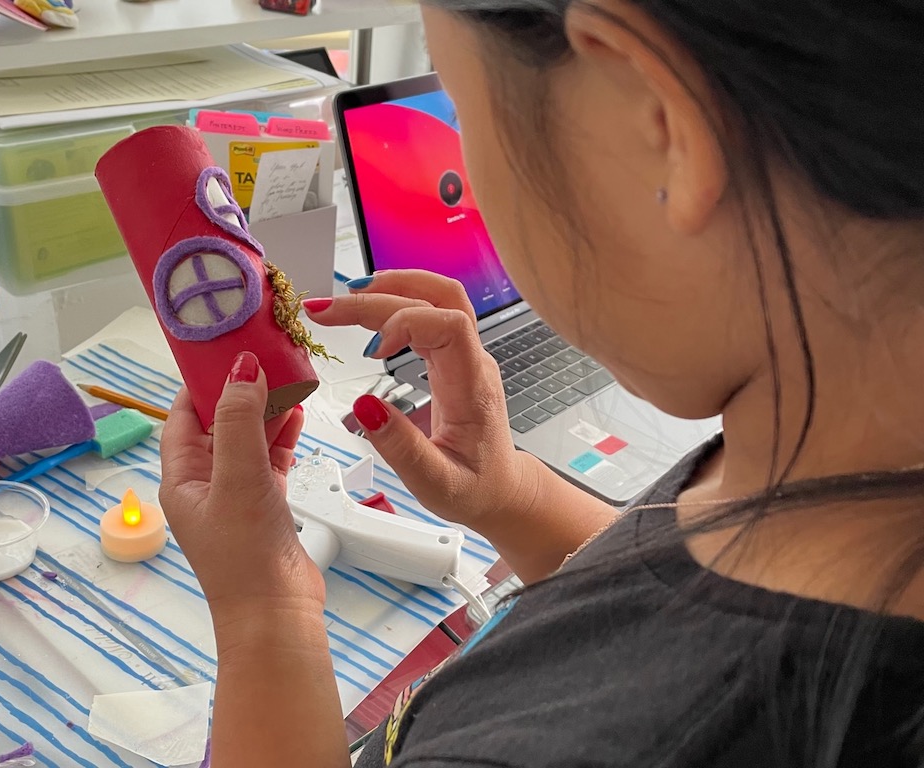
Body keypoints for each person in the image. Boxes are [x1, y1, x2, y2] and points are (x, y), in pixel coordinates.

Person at [158, 0, 924, 765]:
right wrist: (517, 499)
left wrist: (265, 613)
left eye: (462, 111)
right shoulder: (813, 445)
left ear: (652, 117)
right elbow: (671, 616)